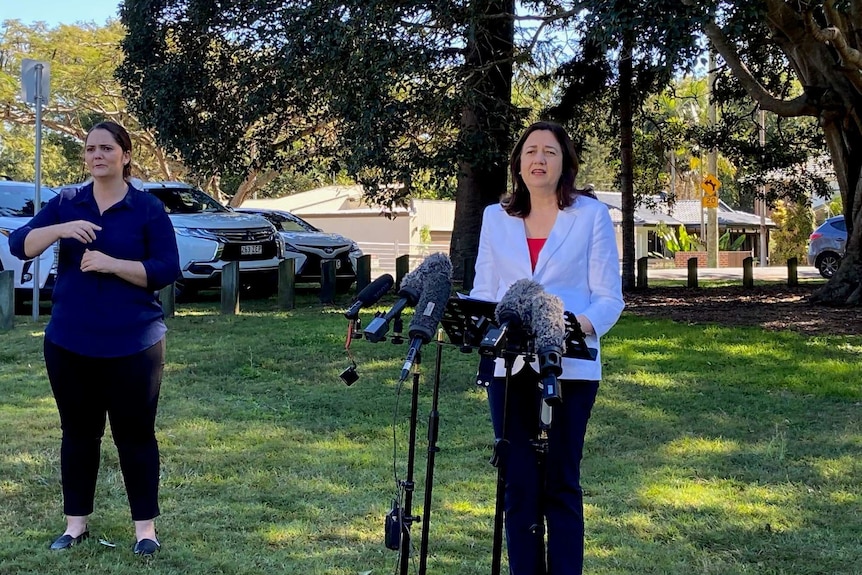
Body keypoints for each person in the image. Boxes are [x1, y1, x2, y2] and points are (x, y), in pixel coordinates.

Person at [9, 121, 180, 557]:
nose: (96, 155)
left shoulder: (147, 209)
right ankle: (75, 525)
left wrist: (112, 263)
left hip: (135, 343)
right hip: (70, 341)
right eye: (90, 149)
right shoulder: (68, 201)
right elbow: (19, 244)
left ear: (125, 155)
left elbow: (164, 270)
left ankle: (145, 531)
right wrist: (61, 230)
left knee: (136, 436)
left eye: (106, 148)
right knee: (78, 435)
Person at [470, 120, 625, 574]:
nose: (539, 159)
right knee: (517, 485)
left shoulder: (591, 215)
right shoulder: (494, 217)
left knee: (560, 482)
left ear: (565, 163)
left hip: (568, 368)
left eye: (550, 152)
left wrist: (574, 324)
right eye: (531, 151)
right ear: (518, 163)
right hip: (508, 367)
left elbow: (609, 298)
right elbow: (485, 290)